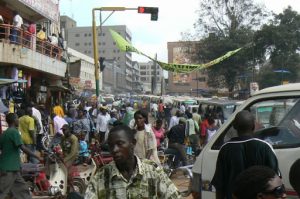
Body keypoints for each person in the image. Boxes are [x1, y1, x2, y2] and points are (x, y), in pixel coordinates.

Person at [84, 125, 180, 198]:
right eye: (111, 145)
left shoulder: (152, 171)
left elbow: (174, 196)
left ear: (133, 143)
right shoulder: (101, 177)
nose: (114, 149)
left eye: (120, 144)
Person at [211, 110, 280, 199]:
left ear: (234, 126)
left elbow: (219, 184)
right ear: (254, 126)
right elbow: (276, 179)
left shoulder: (225, 149)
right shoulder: (265, 147)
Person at [0, 113, 42, 199]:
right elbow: (22, 147)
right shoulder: (14, 132)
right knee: (3, 192)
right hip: (9, 169)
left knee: (23, 190)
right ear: (14, 120)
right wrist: (37, 156)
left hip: (12, 168)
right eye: (17, 118)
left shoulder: (5, 133)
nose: (18, 120)